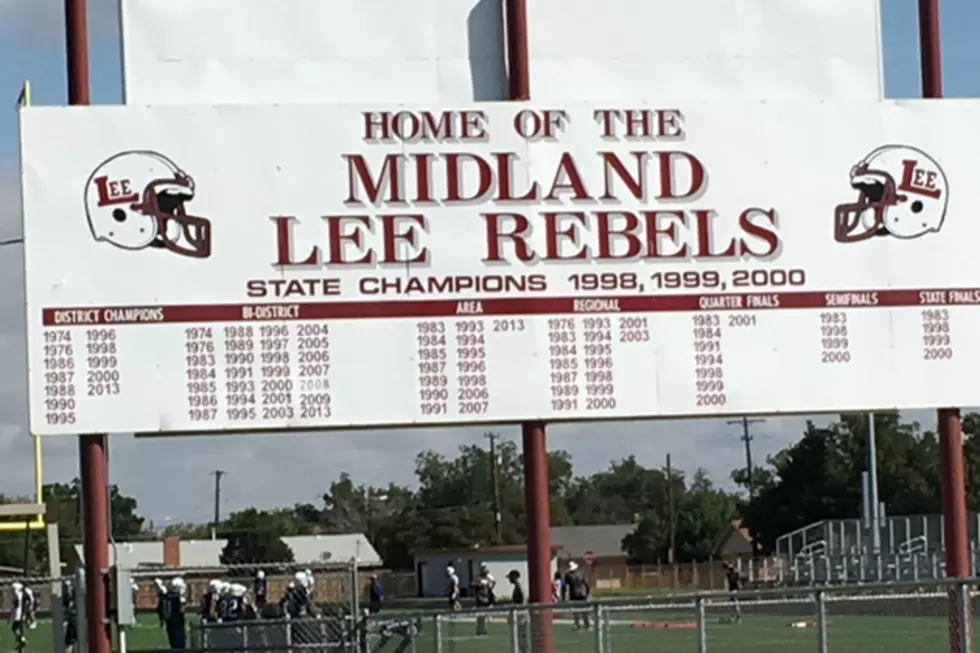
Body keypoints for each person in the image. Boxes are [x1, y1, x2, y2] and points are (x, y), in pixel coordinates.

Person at [562, 562, 590, 631]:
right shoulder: (581, 574)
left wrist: (563, 597)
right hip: (583, 594)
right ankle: (587, 625)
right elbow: (587, 585)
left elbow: (564, 586)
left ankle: (577, 625)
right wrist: (587, 594)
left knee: (576, 611)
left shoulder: (568, 575)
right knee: (584, 611)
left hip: (574, 594)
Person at [163, 577, 187, 650]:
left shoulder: (167, 595)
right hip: (177, 623)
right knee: (179, 644)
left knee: (173, 644)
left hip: (169, 622)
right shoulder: (178, 598)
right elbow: (182, 610)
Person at [506, 570, 527, 653]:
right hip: (518, 613)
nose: (509, 579)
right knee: (518, 636)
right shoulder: (517, 587)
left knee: (520, 636)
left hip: (520, 614)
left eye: (510, 577)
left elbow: (523, 600)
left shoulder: (519, 587)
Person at [472, 564, 495, 635]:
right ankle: (479, 630)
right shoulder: (478, 578)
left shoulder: (488, 578)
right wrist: (480, 584)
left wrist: (491, 585)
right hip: (480, 598)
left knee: (485, 615)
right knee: (480, 616)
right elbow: (473, 584)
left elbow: (492, 584)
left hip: (486, 598)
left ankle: (484, 630)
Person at [10, 581, 29, 649]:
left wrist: (11, 615)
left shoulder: (17, 595)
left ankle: (22, 639)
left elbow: (15, 606)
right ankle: (21, 639)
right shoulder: (22, 594)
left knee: (15, 628)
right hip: (21, 614)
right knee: (18, 628)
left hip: (18, 614)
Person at [62, 578, 77, 653]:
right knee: (70, 643)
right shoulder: (69, 600)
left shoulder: (75, 597)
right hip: (73, 620)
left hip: (74, 620)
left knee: (70, 643)